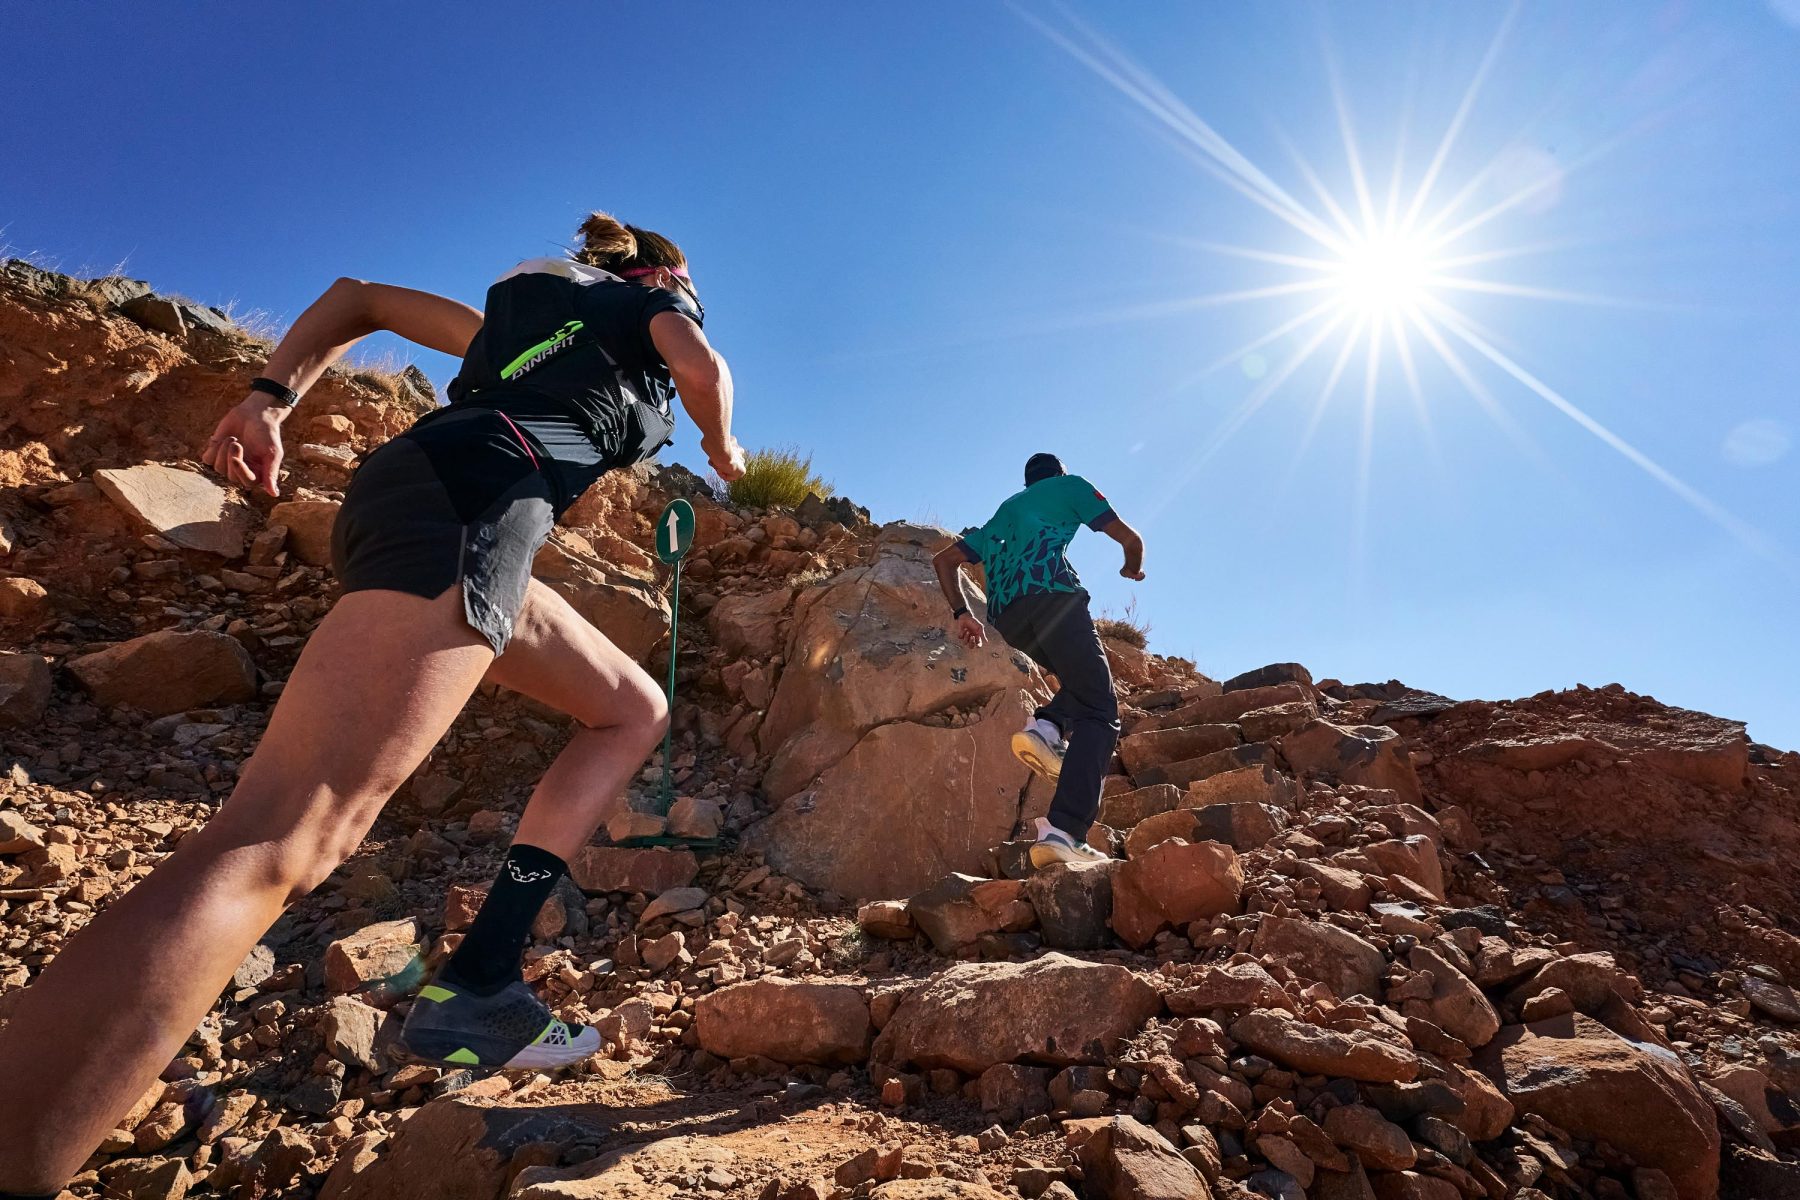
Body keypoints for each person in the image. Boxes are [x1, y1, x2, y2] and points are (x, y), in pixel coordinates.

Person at [0, 212, 745, 1197]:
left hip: (431, 494)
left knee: (630, 707)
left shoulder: (515, 322)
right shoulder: (647, 307)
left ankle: (480, 981)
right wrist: (721, 439)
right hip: (475, 503)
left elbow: (358, 298)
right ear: (667, 279)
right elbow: (702, 368)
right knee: (285, 836)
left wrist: (272, 398)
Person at [932, 453, 1145, 868]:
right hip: (1055, 599)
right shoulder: (1072, 487)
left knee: (1083, 690)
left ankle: (1048, 726)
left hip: (1009, 618)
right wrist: (1131, 570)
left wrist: (963, 613)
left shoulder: (1005, 512)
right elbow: (1130, 540)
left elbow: (944, 562)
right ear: (1059, 474)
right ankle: (1065, 831)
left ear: (1028, 482)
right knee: (1102, 712)